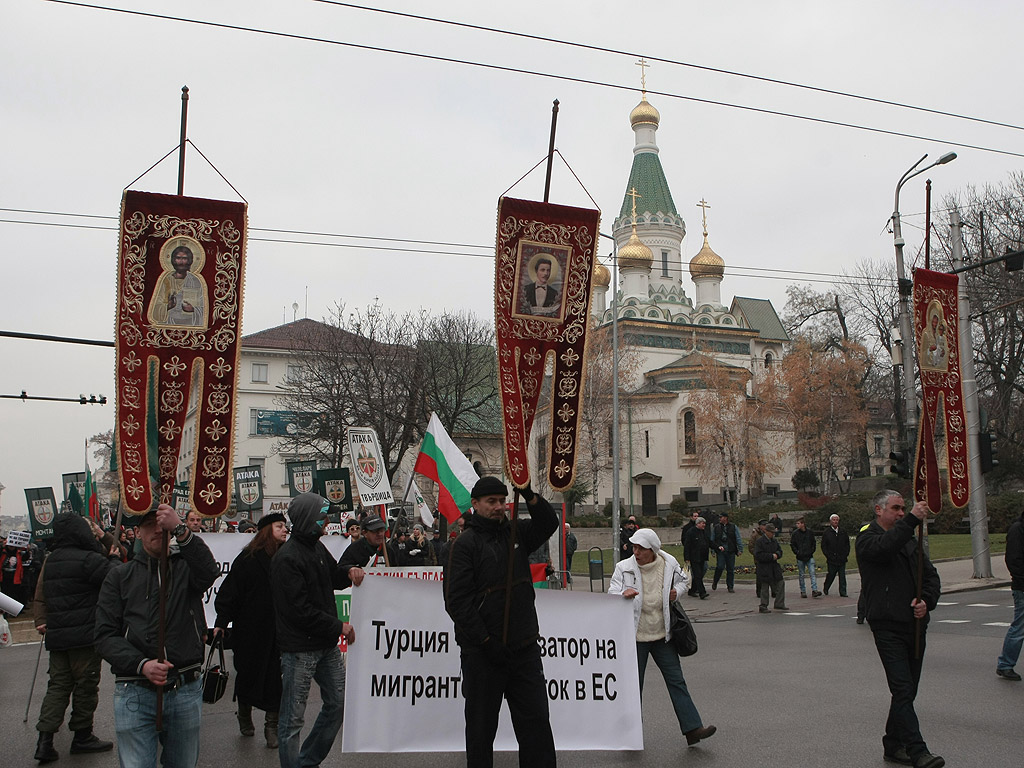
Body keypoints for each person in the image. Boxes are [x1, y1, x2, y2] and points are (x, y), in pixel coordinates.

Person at [443, 477, 558, 768]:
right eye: (491, 502)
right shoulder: (464, 545)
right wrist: (485, 641)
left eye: (502, 501)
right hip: (483, 655)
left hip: (524, 650)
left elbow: (548, 524)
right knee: (481, 732)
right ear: (476, 504)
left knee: (536, 728)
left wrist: (529, 494)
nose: (498, 507)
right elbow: (457, 602)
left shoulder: (516, 532)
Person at [94, 503, 220, 768]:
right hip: (135, 691)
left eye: (163, 522)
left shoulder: (185, 568)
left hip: (185, 687)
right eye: (150, 524)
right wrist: (142, 664)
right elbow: (105, 636)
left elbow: (210, 570)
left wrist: (182, 529)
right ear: (137, 532)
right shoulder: (119, 576)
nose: (158, 529)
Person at [857, 491, 943, 768]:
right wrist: (912, 522)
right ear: (879, 510)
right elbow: (885, 549)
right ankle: (918, 751)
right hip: (887, 624)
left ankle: (893, 746)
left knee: (908, 690)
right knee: (903, 688)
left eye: (903, 508)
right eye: (895, 508)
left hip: (915, 625)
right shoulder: (868, 537)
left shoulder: (908, 540)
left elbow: (929, 575)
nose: (901, 513)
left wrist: (926, 601)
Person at [609, 528, 716, 748]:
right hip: (635, 637)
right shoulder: (624, 568)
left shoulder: (669, 563)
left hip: (662, 635)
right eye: (634, 547)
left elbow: (685, 579)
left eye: (641, 548)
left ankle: (693, 728)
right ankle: (632, 734)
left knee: (677, 681)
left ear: (653, 550)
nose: (635, 552)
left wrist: (677, 592)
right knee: (632, 687)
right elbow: (612, 593)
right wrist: (622, 595)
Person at [271, 493, 355, 768]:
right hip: (299, 650)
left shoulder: (316, 547)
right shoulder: (287, 558)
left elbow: (334, 575)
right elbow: (299, 610)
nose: (327, 520)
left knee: (339, 703)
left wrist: (351, 571)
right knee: (292, 718)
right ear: (309, 518)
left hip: (325, 644)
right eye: (323, 515)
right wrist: (338, 625)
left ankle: (307, 761)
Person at [32, 515, 121, 763]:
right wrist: (112, 558)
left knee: (58, 687)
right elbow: (114, 576)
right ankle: (83, 735)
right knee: (85, 686)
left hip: (59, 636)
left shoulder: (52, 560)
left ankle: (45, 740)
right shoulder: (86, 559)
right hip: (84, 635)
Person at [214, 513, 288, 748]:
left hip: (278, 631)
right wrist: (221, 622)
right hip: (250, 631)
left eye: (285, 526)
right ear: (267, 531)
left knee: (275, 680)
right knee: (247, 675)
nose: (285, 530)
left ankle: (272, 726)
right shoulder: (247, 559)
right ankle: (244, 714)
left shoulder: (287, 557)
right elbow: (230, 592)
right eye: (279, 526)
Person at [147, 244, 207, 327]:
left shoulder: (196, 281)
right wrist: (168, 306)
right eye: (178, 258)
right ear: (173, 260)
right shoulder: (166, 280)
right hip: (169, 323)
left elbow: (205, 308)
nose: (181, 262)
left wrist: (193, 309)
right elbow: (154, 309)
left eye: (185, 258)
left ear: (189, 260)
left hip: (190, 323)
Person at [996, 507, 1024, 681]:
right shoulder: (1018, 530)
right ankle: (1005, 664)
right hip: (1022, 587)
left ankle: (1006, 664)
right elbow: (1013, 560)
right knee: (1020, 627)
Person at [754, 523, 788, 613]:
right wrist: (771, 556)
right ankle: (763, 605)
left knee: (781, 583)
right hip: (764, 567)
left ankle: (779, 603)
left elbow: (780, 550)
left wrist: (777, 554)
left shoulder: (774, 541)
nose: (773, 534)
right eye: (772, 532)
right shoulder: (760, 541)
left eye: (774, 532)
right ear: (766, 531)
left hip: (774, 566)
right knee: (765, 587)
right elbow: (758, 555)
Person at [710, 512, 743, 593]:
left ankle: (730, 586)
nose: (720, 519)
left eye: (721, 517)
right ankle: (715, 581)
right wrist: (713, 550)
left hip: (730, 550)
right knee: (720, 566)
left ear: (726, 518)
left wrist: (740, 549)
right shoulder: (716, 527)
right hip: (720, 550)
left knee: (730, 569)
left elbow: (738, 538)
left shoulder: (733, 526)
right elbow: (712, 539)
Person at [790, 517, 822, 598]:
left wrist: (811, 551)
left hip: (809, 555)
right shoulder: (795, 534)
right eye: (797, 523)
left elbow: (813, 543)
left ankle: (814, 590)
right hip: (800, 556)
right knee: (801, 574)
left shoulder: (809, 532)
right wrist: (797, 552)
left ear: (803, 524)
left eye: (798, 523)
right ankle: (803, 590)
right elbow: (792, 544)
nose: (797, 525)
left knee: (812, 573)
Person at [821, 514, 850, 597]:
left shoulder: (843, 532)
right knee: (831, 575)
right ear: (830, 521)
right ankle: (826, 587)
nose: (835, 521)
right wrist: (828, 555)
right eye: (833, 520)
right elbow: (824, 546)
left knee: (842, 576)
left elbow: (847, 544)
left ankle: (843, 591)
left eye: (837, 520)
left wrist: (845, 554)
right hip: (832, 559)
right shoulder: (827, 533)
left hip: (842, 558)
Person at [683, 516, 710, 599]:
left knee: (699, 574)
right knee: (698, 575)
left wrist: (718, 547)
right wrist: (687, 557)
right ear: (698, 524)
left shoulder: (703, 532)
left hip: (702, 557)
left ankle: (692, 590)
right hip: (694, 557)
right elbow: (687, 545)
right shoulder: (691, 532)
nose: (704, 525)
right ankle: (702, 592)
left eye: (705, 523)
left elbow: (709, 542)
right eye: (703, 523)